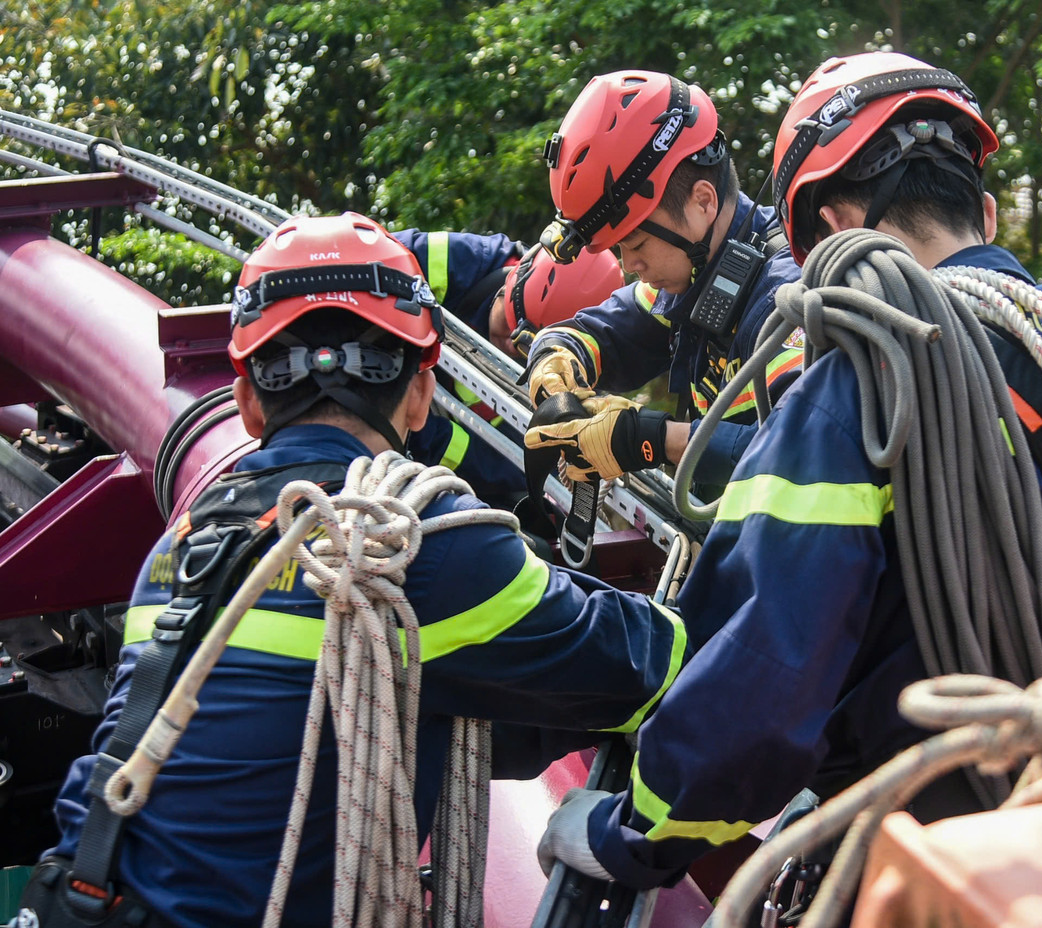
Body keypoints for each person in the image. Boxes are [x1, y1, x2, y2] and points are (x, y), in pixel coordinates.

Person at [537, 52, 1042, 890]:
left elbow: (760, 682)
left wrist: (629, 834)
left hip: (932, 865)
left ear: (834, 231)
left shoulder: (856, 390)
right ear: (981, 208)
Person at [26, 213, 688, 928]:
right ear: (420, 395)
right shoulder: (418, 548)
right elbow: (651, 667)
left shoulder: (182, 546)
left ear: (247, 403)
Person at [520, 69, 804, 496]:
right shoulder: (690, 275)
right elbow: (599, 331)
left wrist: (649, 439)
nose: (629, 265)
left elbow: (802, 452)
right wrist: (555, 363)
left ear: (702, 202)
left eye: (634, 243)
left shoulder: (787, 302)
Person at [394, 229, 624, 505]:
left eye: (527, 352)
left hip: (421, 457)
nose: (510, 346)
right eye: (508, 321)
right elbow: (383, 254)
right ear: (512, 277)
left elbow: (497, 461)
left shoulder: (562, 394)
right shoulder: (470, 260)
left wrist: (417, 430)